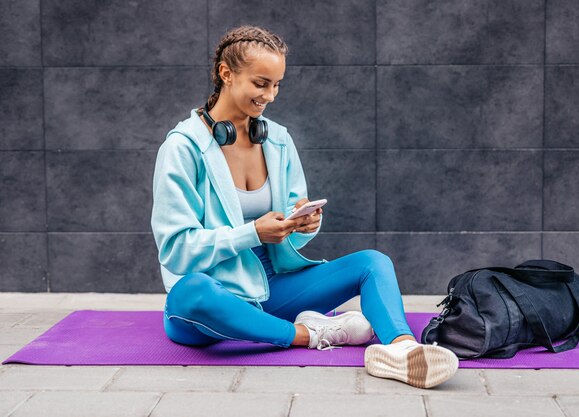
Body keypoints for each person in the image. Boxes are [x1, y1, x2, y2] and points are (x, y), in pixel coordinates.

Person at [150, 25, 458, 389]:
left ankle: (403, 352)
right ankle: (312, 334)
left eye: (277, 84)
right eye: (261, 83)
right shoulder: (182, 148)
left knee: (373, 263)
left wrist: (302, 225)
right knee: (191, 292)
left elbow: (290, 236)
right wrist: (252, 233)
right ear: (226, 73)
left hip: (274, 290)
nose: (271, 95)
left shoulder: (277, 140)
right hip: (213, 300)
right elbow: (175, 250)